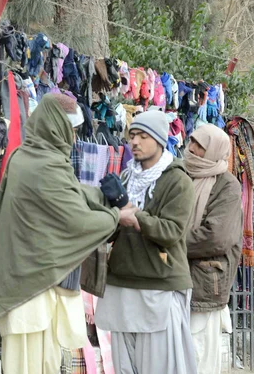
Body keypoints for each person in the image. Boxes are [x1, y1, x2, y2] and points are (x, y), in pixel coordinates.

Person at [0, 93, 136, 374]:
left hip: (27, 284)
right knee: (29, 366)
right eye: (69, 130)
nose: (72, 138)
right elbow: (76, 221)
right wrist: (115, 216)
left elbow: (67, 195)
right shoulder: (45, 165)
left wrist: (100, 197)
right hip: (29, 290)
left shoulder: (24, 157)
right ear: (54, 126)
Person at [95, 110, 197, 374]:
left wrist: (131, 213)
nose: (135, 142)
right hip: (121, 283)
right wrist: (108, 214)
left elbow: (171, 231)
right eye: (132, 136)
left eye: (142, 136)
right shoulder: (127, 177)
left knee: (161, 368)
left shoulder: (178, 180)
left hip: (160, 285)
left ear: (160, 140)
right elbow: (111, 232)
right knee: (126, 368)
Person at [184, 125, 242, 374]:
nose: (193, 148)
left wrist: (169, 241)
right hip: (174, 278)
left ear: (214, 150)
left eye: (201, 145)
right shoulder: (181, 176)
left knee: (198, 359)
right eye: (192, 141)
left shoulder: (228, 186)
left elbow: (216, 238)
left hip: (205, 285)